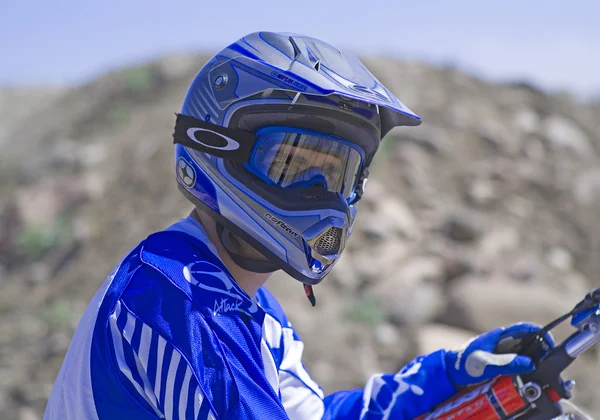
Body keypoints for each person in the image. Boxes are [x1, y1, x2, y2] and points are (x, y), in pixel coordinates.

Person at [44, 32, 555, 420]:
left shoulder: (245, 304)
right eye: (291, 165)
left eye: (336, 173)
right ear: (220, 146)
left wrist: (449, 377)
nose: (319, 192)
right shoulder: (177, 300)